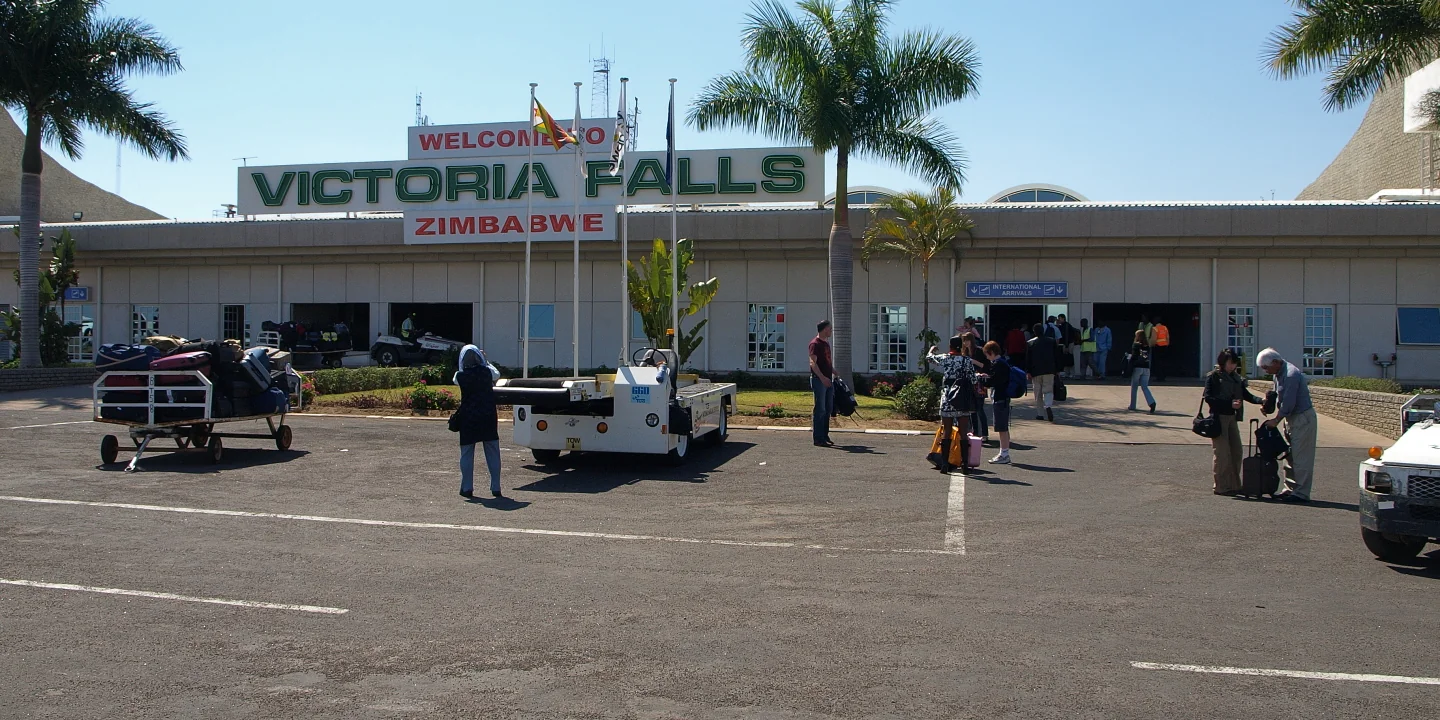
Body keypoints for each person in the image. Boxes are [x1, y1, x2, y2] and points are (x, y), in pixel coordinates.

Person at [1258, 348, 1317, 503]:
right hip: (1290, 418)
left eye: (1267, 368)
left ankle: (1301, 493)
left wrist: (1276, 420)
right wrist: (1266, 405)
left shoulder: (1291, 375)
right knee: (1288, 455)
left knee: (1301, 457)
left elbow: (1289, 403)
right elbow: (1277, 395)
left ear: (1276, 362)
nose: (1266, 371)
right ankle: (1290, 489)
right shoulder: (1278, 374)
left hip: (1302, 417)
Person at [1204, 349, 1265, 496]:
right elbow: (1208, 398)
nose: (1233, 366)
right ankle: (1221, 486)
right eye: (1230, 363)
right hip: (1218, 417)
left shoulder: (1237, 378)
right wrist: (1229, 404)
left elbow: (1246, 395)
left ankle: (1234, 484)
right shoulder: (1213, 377)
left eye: (1234, 364)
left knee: (1236, 451)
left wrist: (1261, 400)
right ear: (1223, 362)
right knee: (1222, 453)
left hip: (1232, 418)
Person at [455, 345, 503, 499]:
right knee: (493, 452)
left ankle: (467, 487)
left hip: (468, 416)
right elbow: (497, 374)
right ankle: (496, 486)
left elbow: (456, 377)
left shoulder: (460, 376)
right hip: (488, 415)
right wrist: (486, 361)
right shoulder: (488, 373)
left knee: (467, 453)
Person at [927, 335, 978, 472]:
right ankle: (965, 464)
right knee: (963, 431)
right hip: (962, 398)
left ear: (950, 346)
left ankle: (944, 464)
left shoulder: (945, 358)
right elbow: (973, 379)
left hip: (948, 397)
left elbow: (930, 358)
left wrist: (932, 350)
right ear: (961, 346)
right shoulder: (966, 361)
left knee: (947, 431)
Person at [982, 341, 1015, 464]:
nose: (987, 357)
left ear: (991, 353)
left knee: (1001, 427)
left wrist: (984, 381)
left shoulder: (998, 364)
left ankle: (1004, 453)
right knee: (1003, 427)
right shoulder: (1003, 363)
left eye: (987, 355)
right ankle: (1004, 452)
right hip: (1003, 398)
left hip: (1001, 398)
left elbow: (995, 381)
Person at [809, 320, 836, 447]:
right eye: (830, 329)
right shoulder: (815, 344)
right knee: (820, 409)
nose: (831, 331)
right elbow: (812, 363)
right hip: (819, 380)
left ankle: (825, 435)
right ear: (824, 329)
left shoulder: (826, 343)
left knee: (828, 408)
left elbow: (826, 361)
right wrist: (822, 378)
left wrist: (833, 371)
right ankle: (818, 438)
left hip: (828, 379)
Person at [1026, 322, 1058, 422]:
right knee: (1048, 389)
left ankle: (1040, 414)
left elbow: (1027, 359)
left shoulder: (1030, 343)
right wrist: (1057, 370)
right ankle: (1048, 405)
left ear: (1034, 332)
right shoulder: (1051, 341)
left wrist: (1028, 371)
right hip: (1049, 370)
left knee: (1038, 392)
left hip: (1036, 371)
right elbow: (1057, 356)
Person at [963, 332, 989, 441]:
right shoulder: (964, 352)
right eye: (964, 341)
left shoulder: (979, 351)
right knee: (971, 409)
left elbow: (986, 365)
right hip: (968, 382)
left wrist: (974, 361)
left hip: (979, 382)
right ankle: (975, 432)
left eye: (967, 340)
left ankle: (985, 434)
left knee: (980, 409)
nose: (965, 343)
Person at [1127, 329, 1156, 413]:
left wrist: (1129, 366)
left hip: (1137, 368)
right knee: (1145, 387)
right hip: (1146, 368)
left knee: (1134, 387)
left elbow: (1134, 357)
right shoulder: (1147, 346)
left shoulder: (1136, 345)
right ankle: (1152, 403)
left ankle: (1132, 405)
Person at [1058, 313, 1078, 378]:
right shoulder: (1063, 326)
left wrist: (1066, 346)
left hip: (1068, 344)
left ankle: (1071, 373)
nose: (1059, 319)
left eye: (1060, 318)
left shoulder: (1066, 325)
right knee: (1066, 358)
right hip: (1066, 343)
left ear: (1063, 318)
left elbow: (1067, 336)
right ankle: (1067, 373)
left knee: (1069, 358)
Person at [1152, 315, 1171, 382]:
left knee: (1158, 362)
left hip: (1158, 347)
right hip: (1164, 347)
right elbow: (1167, 337)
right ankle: (1163, 376)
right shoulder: (1165, 328)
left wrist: (1152, 345)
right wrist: (1167, 344)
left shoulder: (1155, 328)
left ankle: (1159, 377)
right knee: (1163, 362)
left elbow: (1154, 339)